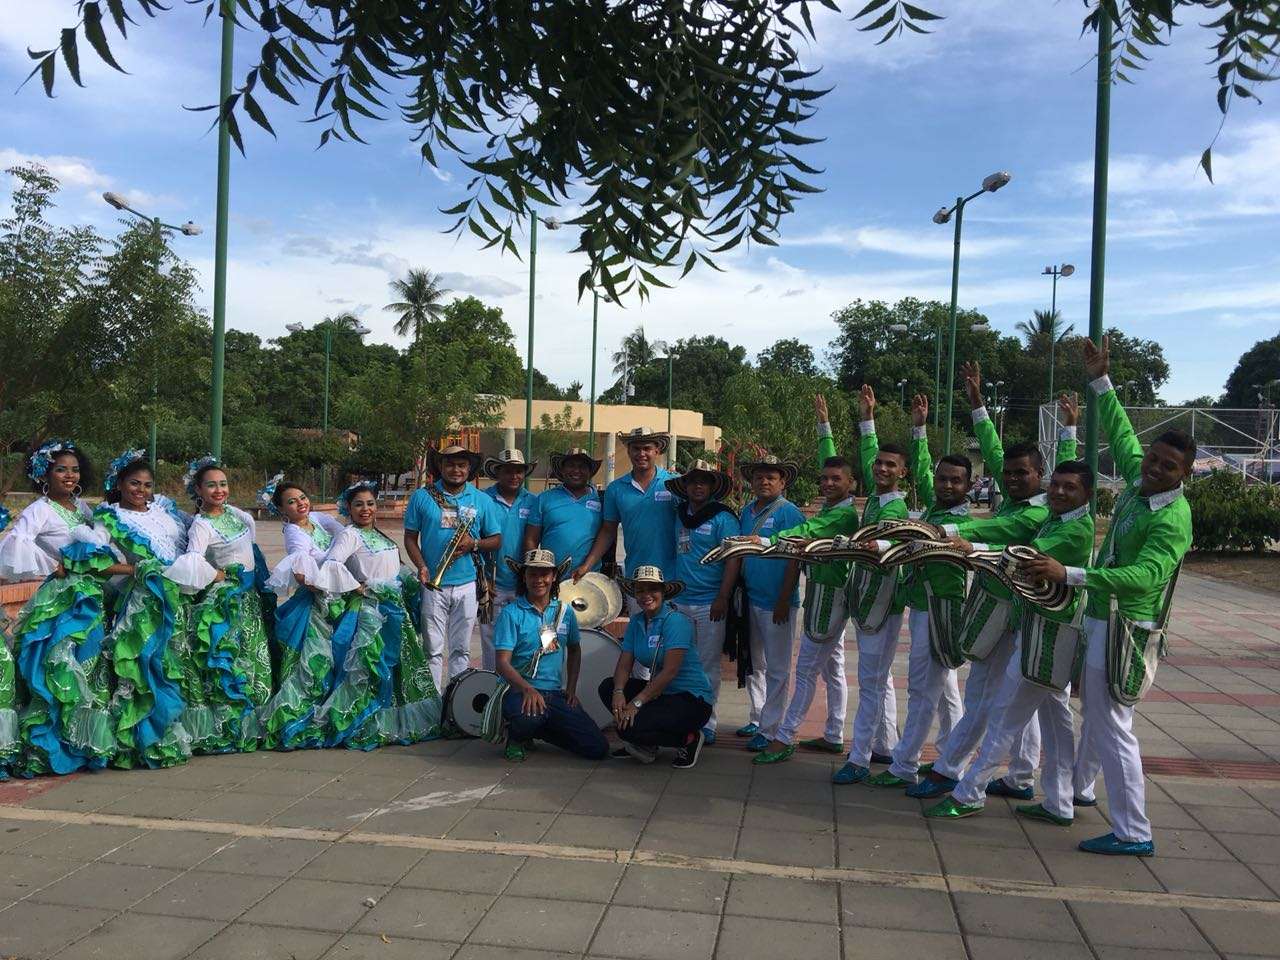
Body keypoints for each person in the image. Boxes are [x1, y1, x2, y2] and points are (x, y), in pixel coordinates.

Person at [1021, 337, 1194, 857]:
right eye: (1154, 459)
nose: (1153, 468)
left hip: (1127, 628)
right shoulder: (1142, 488)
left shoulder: (1172, 517)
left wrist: (1070, 574)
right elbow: (1121, 433)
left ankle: (1133, 830)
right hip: (1101, 620)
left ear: (1185, 476)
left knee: (1113, 726)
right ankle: (1076, 793)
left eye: (1167, 466)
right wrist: (1101, 381)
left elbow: (1145, 576)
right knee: (1100, 717)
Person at [910, 380, 1079, 800]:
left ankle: (952, 767)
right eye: (1010, 474)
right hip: (1005, 610)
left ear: (1042, 475)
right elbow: (998, 454)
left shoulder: (1034, 513)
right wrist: (980, 408)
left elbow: (996, 530)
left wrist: (953, 532)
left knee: (987, 696)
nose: (1015, 477)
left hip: (1011, 611)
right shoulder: (1022, 499)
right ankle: (1024, 777)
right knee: (1032, 704)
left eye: (1025, 473)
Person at [754, 394, 893, 765]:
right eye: (825, 478)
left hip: (829, 593)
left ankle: (785, 736)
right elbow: (829, 462)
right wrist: (823, 425)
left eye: (837, 479)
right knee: (833, 670)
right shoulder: (838, 503)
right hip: (830, 588)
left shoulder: (842, 516)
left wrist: (766, 540)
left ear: (852, 482)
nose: (829, 482)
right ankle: (833, 732)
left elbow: (808, 529)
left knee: (806, 671)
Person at [865, 394, 969, 787]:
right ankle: (951, 759)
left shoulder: (961, 521)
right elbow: (923, 468)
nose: (944, 485)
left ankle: (904, 764)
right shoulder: (934, 509)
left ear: (968, 485)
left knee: (924, 688)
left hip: (942, 608)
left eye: (954, 481)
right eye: (942, 479)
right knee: (945, 691)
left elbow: (920, 472)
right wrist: (920, 429)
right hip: (925, 605)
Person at [0, 441, 118, 776]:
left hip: (92, 600)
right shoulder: (40, 509)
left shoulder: (84, 508)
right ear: (44, 475)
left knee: (91, 668)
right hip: (59, 605)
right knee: (59, 670)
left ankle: (83, 745)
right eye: (61, 469)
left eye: (74, 469)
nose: (69, 475)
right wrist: (53, 564)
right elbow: (15, 545)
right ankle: (46, 750)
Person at [305, 481, 441, 748]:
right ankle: (370, 723)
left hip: (395, 609)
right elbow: (332, 564)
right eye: (358, 504)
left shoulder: (379, 534)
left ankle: (399, 722)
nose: (365, 509)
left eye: (370, 503)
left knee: (401, 667)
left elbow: (393, 567)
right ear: (349, 508)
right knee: (372, 668)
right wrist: (359, 586)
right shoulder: (350, 534)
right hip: (372, 613)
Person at [94, 450, 196, 769]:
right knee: (141, 668)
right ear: (119, 484)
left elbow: (196, 537)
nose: (141, 490)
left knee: (169, 666)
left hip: (174, 599)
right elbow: (95, 561)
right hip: (141, 604)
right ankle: (138, 741)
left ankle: (167, 733)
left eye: (147, 484)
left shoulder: (165, 510)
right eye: (134, 483)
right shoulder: (109, 517)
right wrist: (135, 570)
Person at [167, 457, 273, 754]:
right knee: (229, 663)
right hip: (226, 602)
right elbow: (192, 561)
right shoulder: (201, 524)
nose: (218, 490)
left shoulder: (239, 515)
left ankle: (252, 726)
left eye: (223, 484)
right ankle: (226, 728)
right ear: (198, 490)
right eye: (211, 485)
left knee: (253, 660)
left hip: (249, 599)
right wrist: (218, 575)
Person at [494, 549, 608, 763]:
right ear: (524, 577)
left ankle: (540, 728)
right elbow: (502, 662)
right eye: (533, 574)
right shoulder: (511, 613)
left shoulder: (565, 612)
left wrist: (571, 689)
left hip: (554, 694)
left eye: (544, 574)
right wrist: (527, 689)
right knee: (529, 717)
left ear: (554, 576)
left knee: (597, 748)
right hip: (519, 690)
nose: (539, 580)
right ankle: (518, 737)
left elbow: (575, 649)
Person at [404, 445, 502, 692]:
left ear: (469, 469)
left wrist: (474, 544)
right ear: (440, 467)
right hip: (432, 585)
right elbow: (409, 538)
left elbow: (497, 539)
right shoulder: (422, 497)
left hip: (467, 583)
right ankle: (432, 703)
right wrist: (422, 566)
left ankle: (454, 701)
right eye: (450, 464)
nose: (455, 470)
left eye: (461, 465)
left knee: (461, 648)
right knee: (432, 649)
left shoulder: (482, 500)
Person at [602, 565, 714, 769]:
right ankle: (645, 743)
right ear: (634, 594)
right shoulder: (636, 621)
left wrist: (636, 703)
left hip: (690, 699)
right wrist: (619, 692)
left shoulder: (676, 621)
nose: (646, 595)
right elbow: (625, 664)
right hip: (660, 695)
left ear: (663, 592)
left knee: (627, 729)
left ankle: (688, 739)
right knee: (607, 688)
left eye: (652, 589)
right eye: (640, 590)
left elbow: (670, 671)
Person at [731, 454, 803, 752]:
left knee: (777, 667)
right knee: (754, 663)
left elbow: (795, 557)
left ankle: (772, 728)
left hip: (777, 602)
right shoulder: (747, 511)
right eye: (759, 477)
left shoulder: (790, 513)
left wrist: (784, 598)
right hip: (751, 598)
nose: (764, 482)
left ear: (782, 482)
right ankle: (758, 715)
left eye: (771, 477)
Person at [664, 459, 738, 743]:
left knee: (708, 665)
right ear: (684, 485)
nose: (697, 486)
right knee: (679, 662)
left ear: (712, 487)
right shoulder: (679, 514)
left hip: (710, 603)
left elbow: (733, 559)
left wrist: (723, 596)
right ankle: (682, 717)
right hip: (680, 601)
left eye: (704, 481)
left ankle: (707, 722)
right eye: (693, 481)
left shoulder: (723, 518)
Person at [572, 429, 677, 581]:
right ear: (628, 451)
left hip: (672, 575)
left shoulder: (674, 484)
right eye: (636, 448)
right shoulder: (615, 489)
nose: (641, 453)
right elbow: (608, 530)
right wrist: (587, 566)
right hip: (635, 576)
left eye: (647, 448)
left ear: (657, 451)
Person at [479, 449, 538, 670]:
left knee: (525, 638)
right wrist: (482, 578)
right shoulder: (483, 499)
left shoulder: (534, 501)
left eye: (519, 471)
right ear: (498, 472)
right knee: (489, 641)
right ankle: (490, 688)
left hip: (525, 585)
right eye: (508, 471)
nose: (514, 476)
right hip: (489, 584)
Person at [523, 448, 604, 580]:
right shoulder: (544, 499)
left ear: (590, 472)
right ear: (562, 470)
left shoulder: (602, 500)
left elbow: (607, 534)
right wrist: (534, 571)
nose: (576, 471)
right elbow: (531, 539)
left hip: (589, 578)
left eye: (582, 466)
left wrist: (586, 566)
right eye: (571, 465)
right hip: (550, 579)